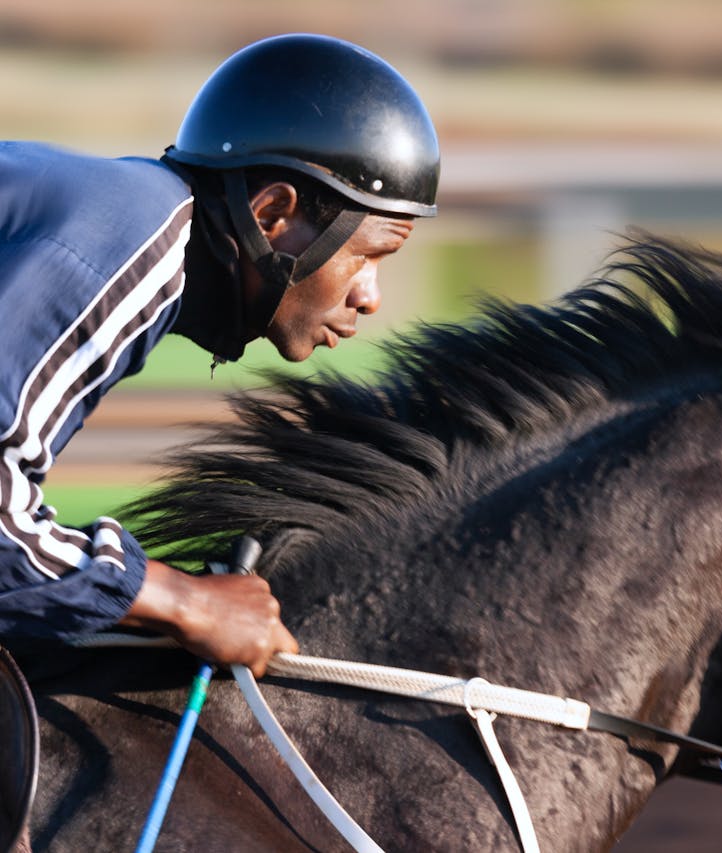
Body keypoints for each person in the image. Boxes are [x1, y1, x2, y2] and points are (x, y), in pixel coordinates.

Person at [0, 33, 441, 679]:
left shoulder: (126, 217)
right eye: (368, 254)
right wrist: (185, 601)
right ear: (272, 215)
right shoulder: (127, 241)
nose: (370, 296)